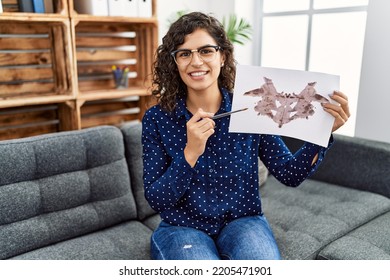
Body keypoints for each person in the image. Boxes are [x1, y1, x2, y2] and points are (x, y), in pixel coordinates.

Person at [141, 12, 350, 260]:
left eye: (206, 50)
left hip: (243, 221)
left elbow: (289, 174)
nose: (196, 61)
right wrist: (190, 153)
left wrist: (322, 132)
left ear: (223, 55)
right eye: (184, 53)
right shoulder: (157, 118)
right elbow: (156, 199)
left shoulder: (251, 109)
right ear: (175, 62)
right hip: (181, 227)